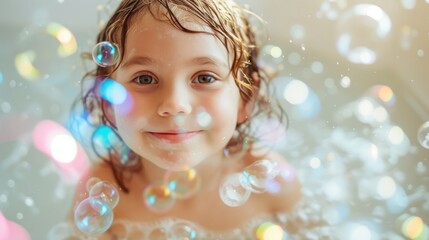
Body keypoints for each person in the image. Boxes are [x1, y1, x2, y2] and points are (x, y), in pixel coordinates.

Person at [51, 0, 301, 239]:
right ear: (108, 102)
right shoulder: (101, 188)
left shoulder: (274, 186)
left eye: (204, 78)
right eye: (145, 78)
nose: (174, 104)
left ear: (245, 99)